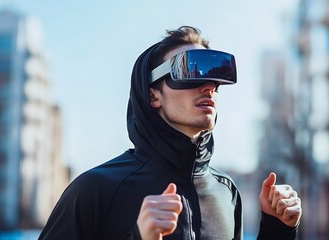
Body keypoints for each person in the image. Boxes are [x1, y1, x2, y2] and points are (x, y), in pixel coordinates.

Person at [39, 26, 302, 240]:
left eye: (214, 78)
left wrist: (277, 228)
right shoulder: (95, 190)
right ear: (153, 95)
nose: (209, 86)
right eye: (190, 71)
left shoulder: (227, 192)